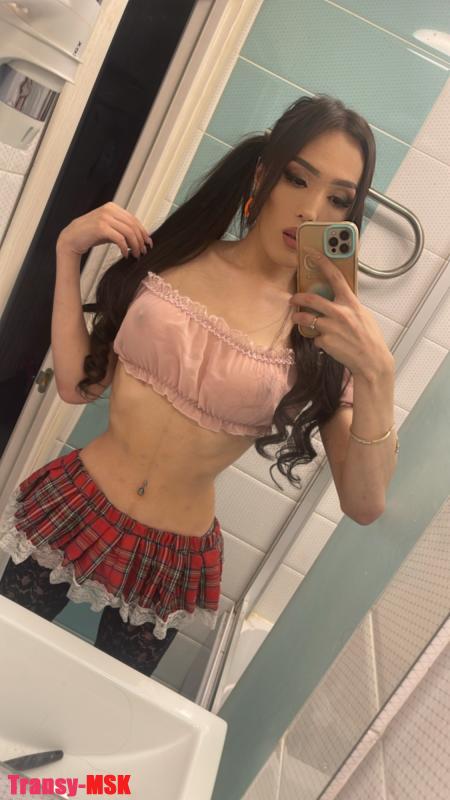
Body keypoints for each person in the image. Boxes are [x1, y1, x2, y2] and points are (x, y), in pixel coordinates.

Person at [0, 94, 398, 678]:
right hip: (78, 505)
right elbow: (75, 385)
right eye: (297, 178)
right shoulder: (176, 253)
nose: (311, 209)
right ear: (262, 174)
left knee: (112, 710)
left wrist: (378, 374)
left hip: (172, 558)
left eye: (338, 199)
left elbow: (364, 505)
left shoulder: (319, 332)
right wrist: (67, 251)